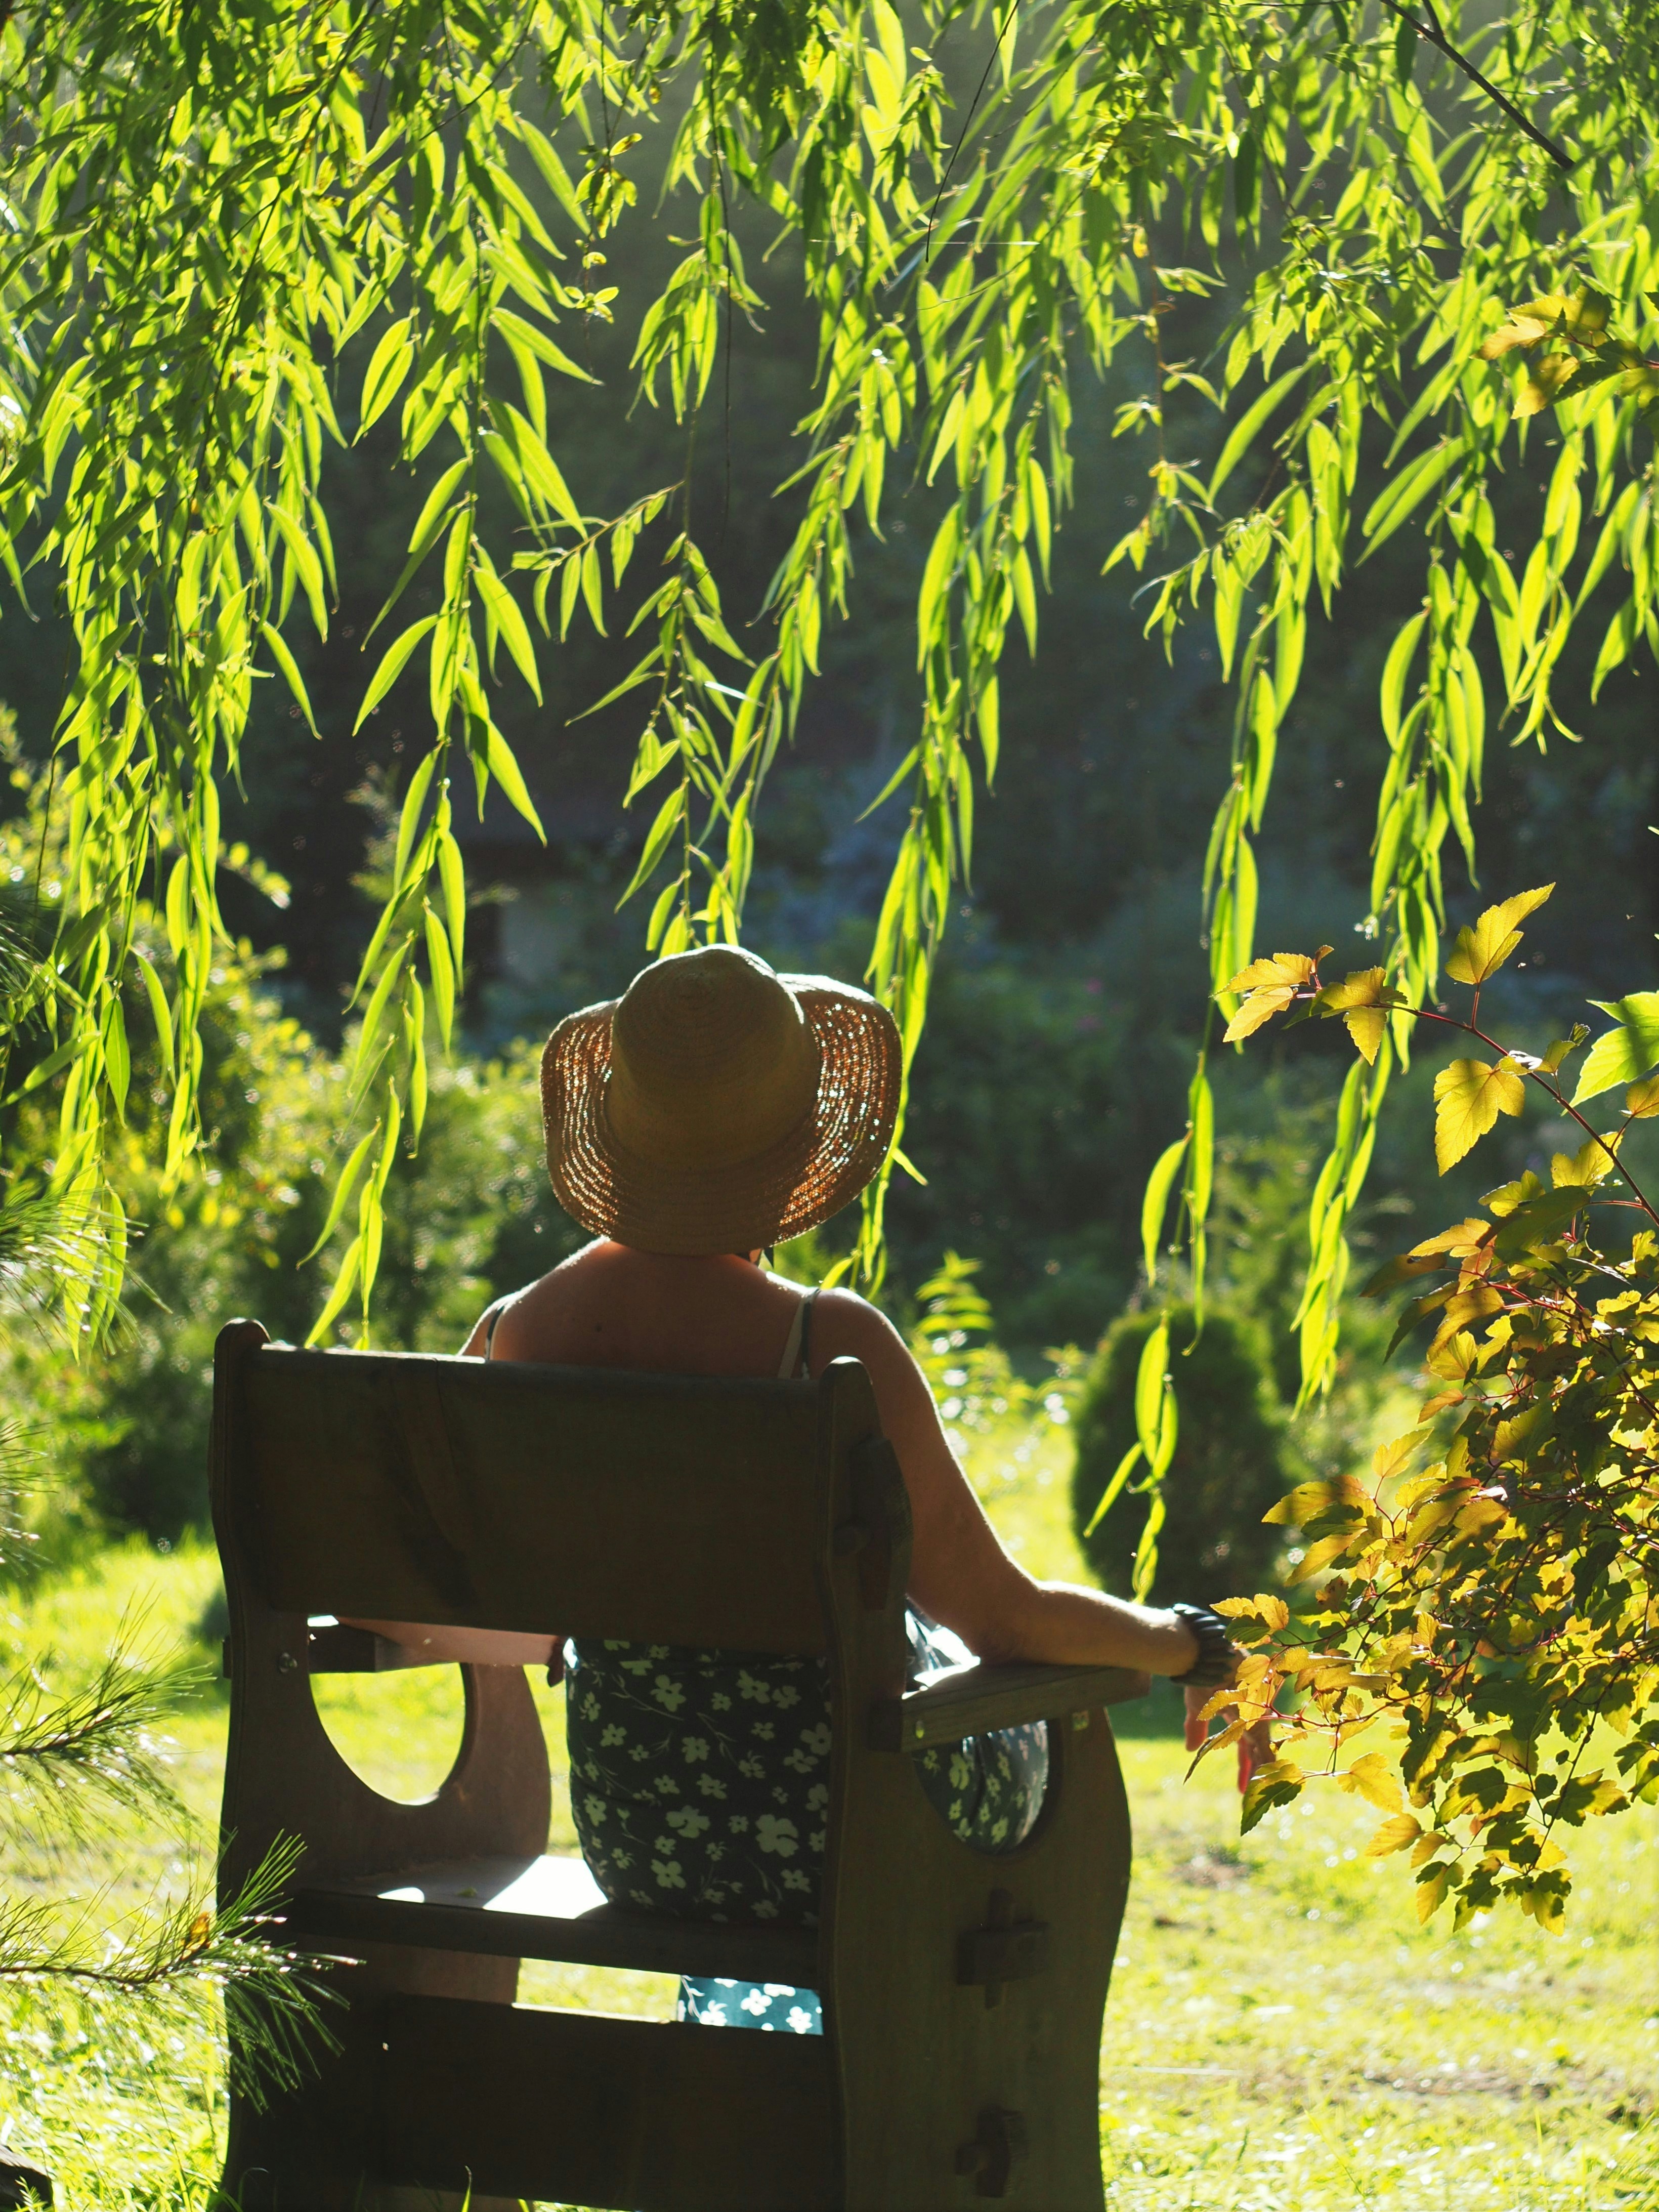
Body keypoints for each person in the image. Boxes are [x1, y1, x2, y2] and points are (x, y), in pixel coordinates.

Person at [351, 944, 1265, 2033]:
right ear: (795, 1154)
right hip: (853, 1827)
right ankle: (944, 2103)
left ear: (622, 1127)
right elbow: (1007, 1617)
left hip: (644, 1836)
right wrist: (1191, 1643)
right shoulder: (825, 1345)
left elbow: (433, 1603)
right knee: (1009, 1709)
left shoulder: (511, 1335)